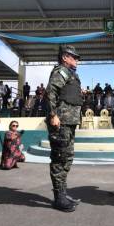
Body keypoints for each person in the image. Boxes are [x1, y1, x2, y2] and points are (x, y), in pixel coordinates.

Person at [45, 45, 83, 212]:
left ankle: (62, 193)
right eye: (74, 57)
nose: (77, 61)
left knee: (67, 157)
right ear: (65, 57)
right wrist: (53, 115)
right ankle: (59, 197)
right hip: (61, 122)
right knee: (60, 158)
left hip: (68, 122)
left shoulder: (70, 74)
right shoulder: (61, 71)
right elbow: (50, 92)